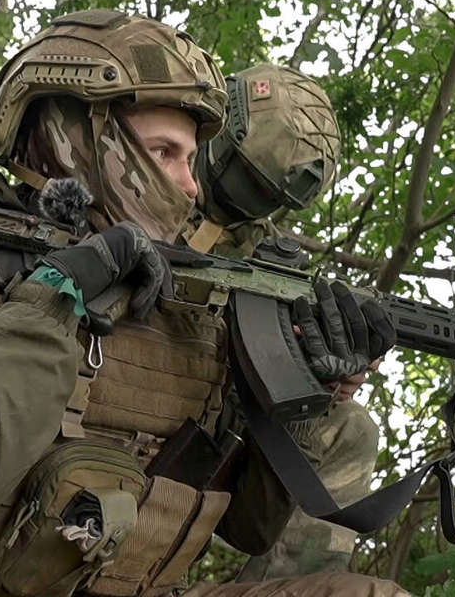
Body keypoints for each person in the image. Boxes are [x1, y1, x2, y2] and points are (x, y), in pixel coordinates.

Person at [0, 10, 406, 597]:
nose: (191, 187)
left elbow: (251, 528)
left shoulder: (188, 318)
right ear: (73, 141)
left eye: (192, 158)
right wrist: (59, 293)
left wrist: (305, 397)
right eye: (165, 152)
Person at [183, 64, 382, 581]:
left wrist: (318, 382)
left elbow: (251, 527)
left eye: (270, 197)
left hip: (211, 422)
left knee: (350, 428)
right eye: (249, 183)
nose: (252, 203)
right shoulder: (146, 182)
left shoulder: (266, 258)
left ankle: (295, 585)